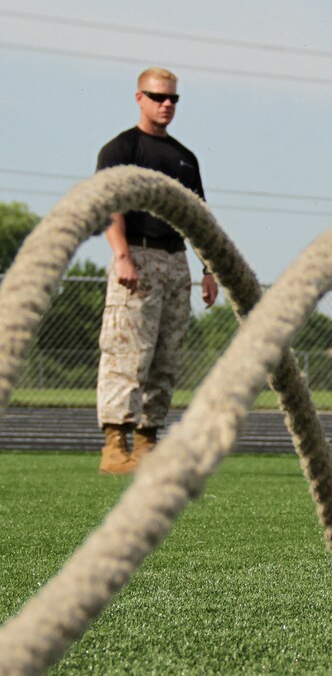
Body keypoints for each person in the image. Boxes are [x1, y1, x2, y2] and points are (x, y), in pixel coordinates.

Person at [96, 67, 218, 475]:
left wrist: (208, 269)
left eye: (173, 99)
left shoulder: (185, 157)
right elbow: (108, 205)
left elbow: (198, 217)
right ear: (139, 98)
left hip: (175, 260)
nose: (166, 104)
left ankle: (148, 443)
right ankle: (116, 444)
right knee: (127, 353)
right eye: (157, 97)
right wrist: (122, 255)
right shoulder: (121, 149)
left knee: (165, 357)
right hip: (138, 255)